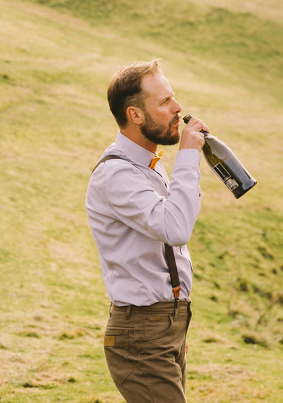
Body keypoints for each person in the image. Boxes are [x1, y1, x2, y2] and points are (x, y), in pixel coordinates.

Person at [85, 59, 207, 402]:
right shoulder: (117, 175)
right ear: (135, 115)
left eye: (174, 98)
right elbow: (176, 228)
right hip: (141, 330)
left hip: (166, 323)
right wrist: (187, 158)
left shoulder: (149, 167)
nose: (178, 108)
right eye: (164, 102)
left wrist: (175, 321)